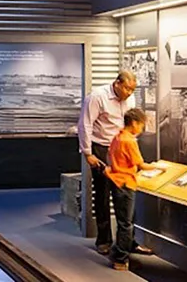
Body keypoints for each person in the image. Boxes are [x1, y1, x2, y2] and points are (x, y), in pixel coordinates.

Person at [77, 71, 152, 256]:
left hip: (122, 148)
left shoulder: (130, 99)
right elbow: (85, 124)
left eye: (132, 89)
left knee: (125, 197)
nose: (129, 93)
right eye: (127, 88)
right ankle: (103, 240)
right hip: (101, 148)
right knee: (102, 194)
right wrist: (87, 153)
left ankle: (128, 242)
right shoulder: (97, 97)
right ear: (117, 83)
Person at [105, 109, 159, 271]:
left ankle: (121, 249)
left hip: (117, 182)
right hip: (125, 183)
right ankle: (120, 258)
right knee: (126, 223)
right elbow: (140, 164)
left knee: (125, 220)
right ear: (135, 123)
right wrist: (159, 167)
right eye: (142, 125)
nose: (142, 129)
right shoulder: (129, 141)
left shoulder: (117, 137)